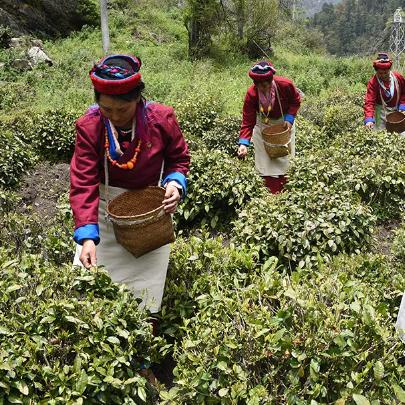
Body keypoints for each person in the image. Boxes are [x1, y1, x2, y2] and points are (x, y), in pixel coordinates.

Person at [70, 54, 190, 315]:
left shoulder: (161, 120)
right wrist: (88, 237)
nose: (114, 116)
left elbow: (178, 158)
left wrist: (175, 184)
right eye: (106, 109)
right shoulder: (90, 127)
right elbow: (83, 181)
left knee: (146, 294)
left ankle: (144, 346)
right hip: (103, 212)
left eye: (122, 109)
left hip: (149, 217)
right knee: (95, 293)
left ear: (137, 98)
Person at [237, 60, 301, 194]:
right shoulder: (251, 94)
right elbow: (248, 120)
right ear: (255, 84)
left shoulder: (285, 85)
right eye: (260, 86)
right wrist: (243, 143)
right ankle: (268, 192)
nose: (263, 88)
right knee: (264, 162)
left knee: (285, 159)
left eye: (266, 85)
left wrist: (289, 119)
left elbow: (296, 100)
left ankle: (286, 190)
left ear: (271, 80)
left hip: (284, 124)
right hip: (263, 125)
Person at [364, 52, 405, 131]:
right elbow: (369, 102)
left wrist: (403, 106)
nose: (383, 75)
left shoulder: (398, 78)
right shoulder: (373, 82)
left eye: (385, 72)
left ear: (389, 70)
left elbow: (404, 92)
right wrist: (369, 119)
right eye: (380, 73)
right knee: (379, 132)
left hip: (397, 109)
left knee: (400, 133)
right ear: (376, 71)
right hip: (379, 111)